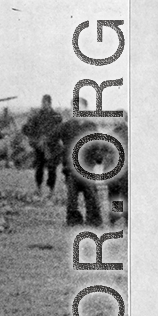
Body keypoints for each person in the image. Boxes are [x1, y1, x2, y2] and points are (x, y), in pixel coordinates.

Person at [59, 97, 106, 227]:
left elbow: (98, 145)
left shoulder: (91, 126)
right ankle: (73, 220)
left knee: (91, 195)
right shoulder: (66, 126)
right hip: (71, 168)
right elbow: (56, 141)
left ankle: (94, 220)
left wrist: (98, 158)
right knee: (72, 198)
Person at [21, 94, 63, 199]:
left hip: (52, 147)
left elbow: (59, 130)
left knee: (52, 169)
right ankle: (38, 188)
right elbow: (28, 129)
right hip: (39, 147)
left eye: (46, 103)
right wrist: (35, 140)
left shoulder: (56, 117)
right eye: (43, 102)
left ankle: (51, 190)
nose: (44, 105)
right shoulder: (36, 116)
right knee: (39, 168)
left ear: (50, 103)